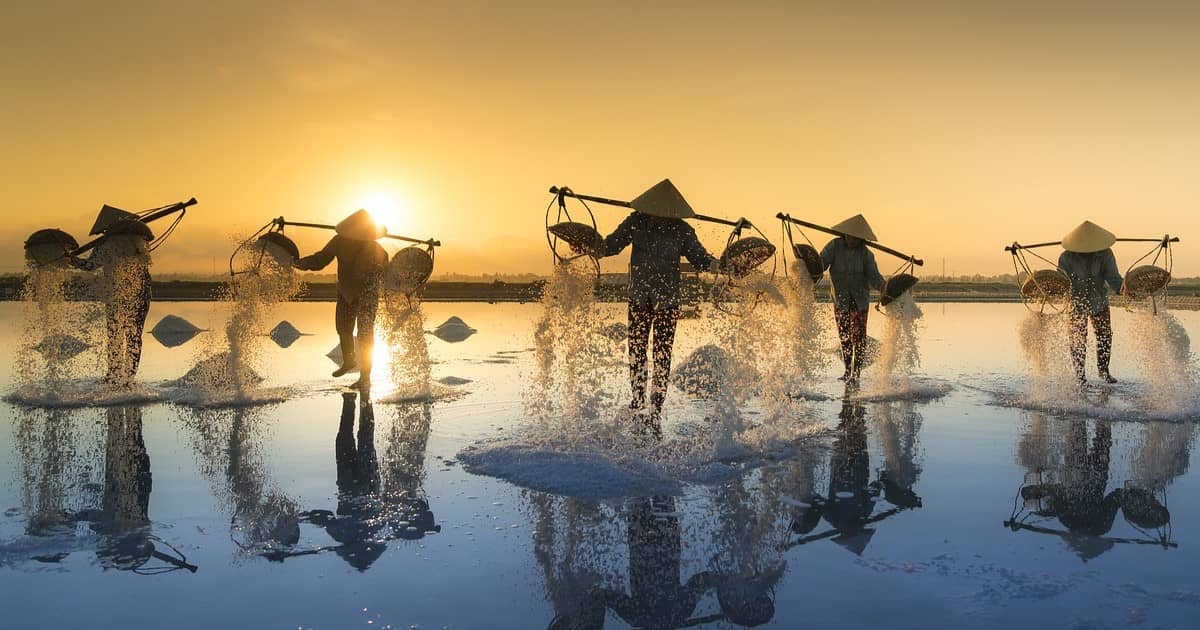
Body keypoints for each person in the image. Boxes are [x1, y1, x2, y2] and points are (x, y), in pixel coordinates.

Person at [601, 191, 719, 432]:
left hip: (667, 302)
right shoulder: (636, 221)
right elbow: (610, 245)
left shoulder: (682, 230)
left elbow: (701, 259)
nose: (661, 219)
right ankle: (637, 402)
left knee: (662, 356)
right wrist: (590, 245)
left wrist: (721, 265)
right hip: (639, 300)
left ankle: (656, 409)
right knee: (637, 353)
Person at [294, 210, 389, 390]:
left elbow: (386, 271)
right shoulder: (339, 241)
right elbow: (319, 260)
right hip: (346, 291)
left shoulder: (376, 248)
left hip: (367, 295)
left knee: (365, 334)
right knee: (343, 328)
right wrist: (299, 263)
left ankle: (365, 377)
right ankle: (349, 360)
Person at [73, 219, 154, 387]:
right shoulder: (112, 245)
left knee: (129, 335)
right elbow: (89, 265)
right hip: (117, 295)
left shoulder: (136, 244)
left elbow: (89, 265)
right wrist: (71, 259)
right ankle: (116, 374)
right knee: (120, 335)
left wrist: (72, 260)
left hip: (136, 295)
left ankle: (126, 377)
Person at [820, 215, 884, 386]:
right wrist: (807, 263)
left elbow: (874, 277)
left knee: (859, 338)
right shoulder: (834, 247)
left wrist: (884, 287)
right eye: (849, 236)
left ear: (861, 239)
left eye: (856, 238)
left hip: (860, 300)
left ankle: (856, 373)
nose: (852, 240)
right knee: (845, 336)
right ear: (844, 234)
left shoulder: (866, 254)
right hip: (840, 300)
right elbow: (820, 264)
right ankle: (848, 370)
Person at [1058, 221, 1123, 385]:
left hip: (1098, 300)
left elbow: (1113, 277)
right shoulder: (1066, 257)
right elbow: (1061, 282)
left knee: (1105, 336)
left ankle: (1104, 371)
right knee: (1077, 339)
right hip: (1075, 302)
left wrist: (1124, 289)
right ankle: (1080, 376)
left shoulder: (1105, 254)